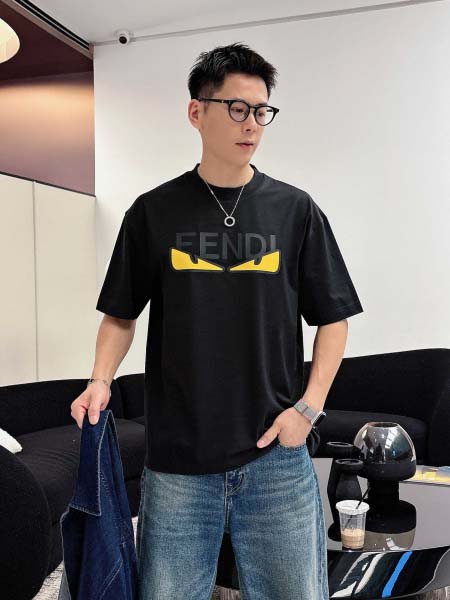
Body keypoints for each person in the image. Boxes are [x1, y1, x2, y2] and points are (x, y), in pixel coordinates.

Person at [70, 41, 363, 600]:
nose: (251, 123)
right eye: (237, 108)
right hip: (178, 463)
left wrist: (308, 409)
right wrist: (100, 379)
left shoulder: (295, 209)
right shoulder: (152, 212)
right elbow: (120, 315)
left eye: (262, 111)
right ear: (196, 111)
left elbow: (335, 317)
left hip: (277, 459)